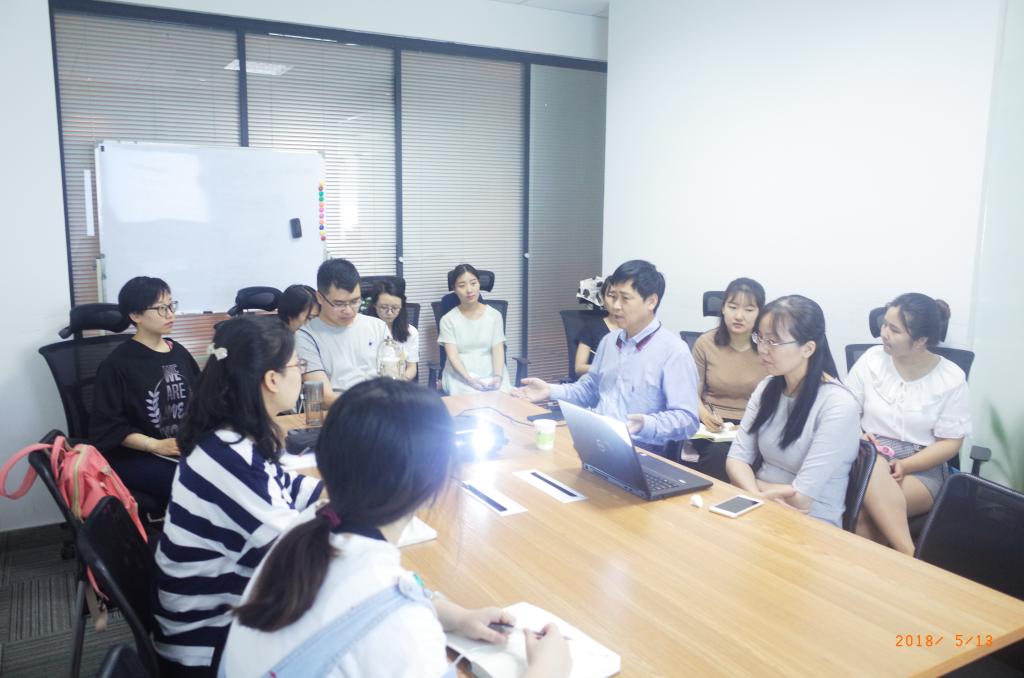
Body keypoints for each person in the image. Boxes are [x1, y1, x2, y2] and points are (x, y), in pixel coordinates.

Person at [220, 379, 571, 677]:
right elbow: (381, 612)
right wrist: (547, 670)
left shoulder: (307, 528)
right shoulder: (403, 627)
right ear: (432, 481)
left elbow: (364, 601)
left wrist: (453, 615)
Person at [152, 315, 324, 677]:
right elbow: (294, 558)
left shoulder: (232, 437)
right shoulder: (229, 457)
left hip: (224, 614)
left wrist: (345, 496)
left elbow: (287, 486)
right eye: (298, 365)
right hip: (208, 643)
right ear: (272, 379)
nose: (301, 373)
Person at [515, 260, 700, 454]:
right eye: (613, 296)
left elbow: (688, 419)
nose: (615, 306)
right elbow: (589, 390)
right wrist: (550, 390)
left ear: (651, 302)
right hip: (598, 441)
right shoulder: (609, 342)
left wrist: (647, 424)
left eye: (625, 298)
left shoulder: (674, 352)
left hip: (642, 449)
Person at [846, 294, 970, 555]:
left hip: (921, 466)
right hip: (868, 454)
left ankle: (901, 560)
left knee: (867, 515)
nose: (884, 333)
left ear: (921, 340)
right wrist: (858, 436)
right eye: (884, 324)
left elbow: (951, 443)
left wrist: (906, 465)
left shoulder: (951, 378)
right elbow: (845, 410)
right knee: (869, 491)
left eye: (894, 329)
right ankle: (910, 558)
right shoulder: (871, 360)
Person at [725, 295, 861, 527]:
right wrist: (757, 494)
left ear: (807, 348)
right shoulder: (768, 387)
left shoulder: (838, 405)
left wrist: (752, 485)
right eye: (760, 338)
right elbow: (735, 460)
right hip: (757, 508)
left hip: (812, 524)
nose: (762, 349)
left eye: (773, 342)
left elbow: (800, 499)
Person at [90, 276, 199, 508]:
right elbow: (107, 429)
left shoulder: (179, 352)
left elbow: (200, 399)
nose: (170, 314)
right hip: (139, 454)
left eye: (171, 305)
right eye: (160, 308)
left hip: (181, 447)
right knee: (200, 484)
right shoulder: (117, 364)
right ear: (135, 315)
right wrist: (156, 445)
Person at [689, 277, 768, 480]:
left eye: (749, 309)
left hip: (754, 425)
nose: (739, 316)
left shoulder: (767, 348)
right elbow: (692, 390)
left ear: (760, 313)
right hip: (713, 425)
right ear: (723, 308)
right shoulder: (705, 343)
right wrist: (704, 415)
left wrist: (750, 425)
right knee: (719, 455)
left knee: (761, 458)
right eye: (732, 307)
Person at [296, 258, 389, 406]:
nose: (349, 310)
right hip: (340, 411)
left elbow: (393, 378)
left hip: (382, 407)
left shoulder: (378, 327)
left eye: (355, 301)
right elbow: (323, 396)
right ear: (320, 298)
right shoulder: (306, 336)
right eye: (339, 304)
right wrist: (367, 407)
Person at [438, 263, 512, 395]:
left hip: (492, 372)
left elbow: (497, 349)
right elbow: (453, 356)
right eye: (462, 285)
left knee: (501, 398)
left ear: (479, 284)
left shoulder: (494, 316)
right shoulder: (448, 320)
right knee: (471, 399)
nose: (469, 290)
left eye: (473, 283)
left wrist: (498, 376)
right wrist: (469, 379)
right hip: (460, 375)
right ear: (454, 289)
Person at [365, 278, 418, 381]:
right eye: (384, 307)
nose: (389, 313)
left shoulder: (411, 332)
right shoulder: (363, 330)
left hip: (398, 383)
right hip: (370, 384)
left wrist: (398, 383)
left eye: (395, 308)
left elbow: (412, 368)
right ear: (374, 305)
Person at [573, 276, 618, 378]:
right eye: (611, 296)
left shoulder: (633, 329)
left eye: (623, 297)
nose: (616, 302)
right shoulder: (590, 328)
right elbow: (579, 368)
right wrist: (607, 367)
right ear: (603, 298)